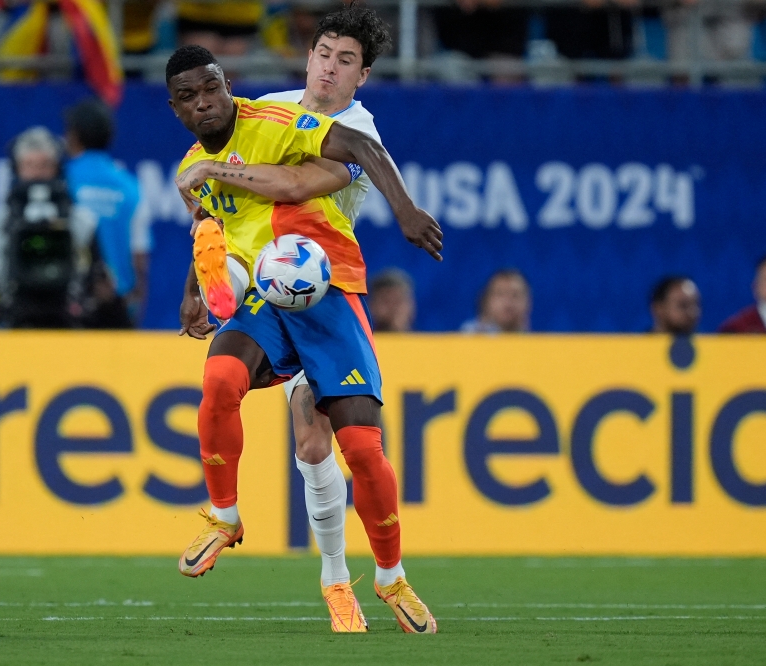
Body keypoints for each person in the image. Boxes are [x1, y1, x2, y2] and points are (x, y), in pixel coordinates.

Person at [167, 40, 442, 634]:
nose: (204, 103)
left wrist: (406, 210)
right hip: (267, 297)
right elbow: (213, 218)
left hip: (326, 286)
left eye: (212, 88)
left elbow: (362, 148)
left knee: (361, 451)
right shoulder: (192, 164)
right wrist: (192, 289)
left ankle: (390, 576)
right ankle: (224, 516)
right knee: (219, 377)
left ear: (227, 85)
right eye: (189, 97)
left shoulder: (278, 119)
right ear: (176, 108)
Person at [0, 126, 97, 328]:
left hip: (68, 322)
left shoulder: (83, 223)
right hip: (12, 322)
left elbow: (99, 282)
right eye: (29, 165)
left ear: (57, 168)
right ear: (16, 169)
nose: (37, 173)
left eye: (45, 165)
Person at [63, 98, 150, 326]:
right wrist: (135, 304)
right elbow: (139, 256)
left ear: (74, 137)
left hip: (70, 300)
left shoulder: (61, 180)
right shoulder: (130, 186)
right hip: (117, 304)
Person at [460, 269, 531, 333]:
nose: (507, 302)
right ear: (486, 301)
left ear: (528, 302)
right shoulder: (469, 338)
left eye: (515, 295)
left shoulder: (536, 342)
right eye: (500, 294)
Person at [369, 268, 415, 332]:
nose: (393, 308)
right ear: (372, 305)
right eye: (386, 301)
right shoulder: (362, 341)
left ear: (411, 305)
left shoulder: (428, 340)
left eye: (398, 301)